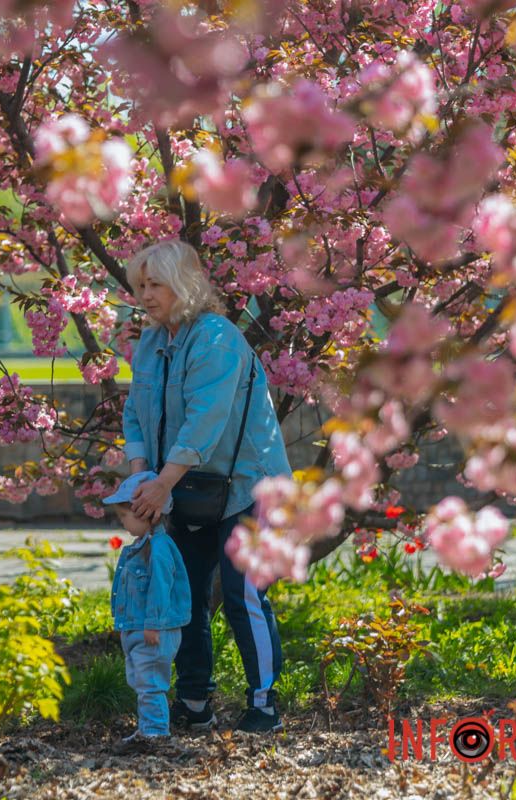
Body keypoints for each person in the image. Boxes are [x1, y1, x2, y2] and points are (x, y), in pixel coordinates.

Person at [120, 239, 292, 734]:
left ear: (185, 284)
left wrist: (162, 482)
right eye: (141, 286)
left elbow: (206, 421)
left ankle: (263, 704)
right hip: (187, 487)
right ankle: (196, 703)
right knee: (184, 596)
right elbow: (136, 412)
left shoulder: (216, 338)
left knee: (243, 596)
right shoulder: (152, 343)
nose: (146, 295)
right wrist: (142, 476)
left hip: (249, 488)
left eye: (156, 285)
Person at [105, 470, 192, 755]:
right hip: (138, 627)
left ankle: (156, 733)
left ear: (149, 514)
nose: (123, 523)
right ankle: (148, 727)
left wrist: (153, 624)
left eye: (125, 517)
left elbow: (160, 587)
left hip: (153, 630)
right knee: (142, 681)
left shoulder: (159, 548)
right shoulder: (142, 546)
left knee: (152, 681)